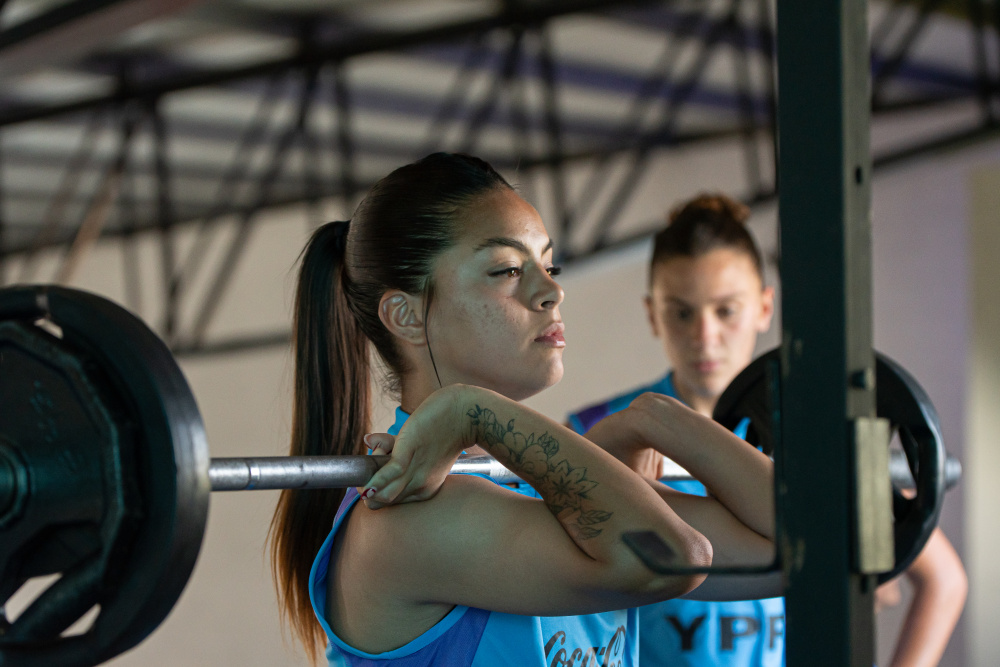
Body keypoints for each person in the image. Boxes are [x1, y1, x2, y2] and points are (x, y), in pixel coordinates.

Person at [268, 154, 779, 667]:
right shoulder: (405, 519)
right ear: (406, 315)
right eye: (509, 270)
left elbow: (798, 548)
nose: (552, 291)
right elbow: (674, 560)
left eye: (548, 266)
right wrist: (473, 410)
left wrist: (657, 417)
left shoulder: (535, 485)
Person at [568, 193, 966, 667]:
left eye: (726, 310)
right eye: (682, 312)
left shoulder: (815, 435)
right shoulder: (597, 432)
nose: (704, 336)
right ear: (654, 314)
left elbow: (943, 581)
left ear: (763, 307)